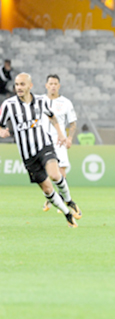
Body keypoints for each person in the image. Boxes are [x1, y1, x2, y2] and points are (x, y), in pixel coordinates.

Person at [0, 73, 82, 227]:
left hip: (44, 145)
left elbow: (52, 116)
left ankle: (70, 200)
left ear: (30, 86)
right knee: (47, 189)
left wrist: (59, 133)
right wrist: (1, 131)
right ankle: (66, 213)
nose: (18, 88)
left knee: (55, 174)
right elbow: (0, 124)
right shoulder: (8, 105)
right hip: (27, 155)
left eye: (22, 84)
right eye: (17, 84)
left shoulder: (40, 101)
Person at [41, 74, 78, 212]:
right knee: (47, 172)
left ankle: (62, 199)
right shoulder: (40, 100)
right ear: (46, 85)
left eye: (55, 84)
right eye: (50, 83)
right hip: (43, 139)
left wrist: (69, 138)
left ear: (59, 86)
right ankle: (51, 196)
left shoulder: (66, 102)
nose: (53, 86)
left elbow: (73, 123)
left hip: (59, 139)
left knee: (61, 169)